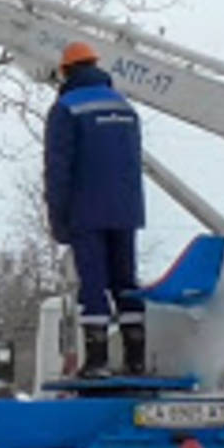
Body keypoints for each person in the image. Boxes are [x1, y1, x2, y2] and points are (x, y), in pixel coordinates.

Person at [44, 41, 147, 376]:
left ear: (66, 71)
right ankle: (136, 357)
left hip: (86, 210)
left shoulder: (67, 108)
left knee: (93, 284)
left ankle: (98, 359)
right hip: (126, 211)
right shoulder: (125, 106)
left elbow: (59, 169)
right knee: (126, 282)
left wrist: (58, 218)